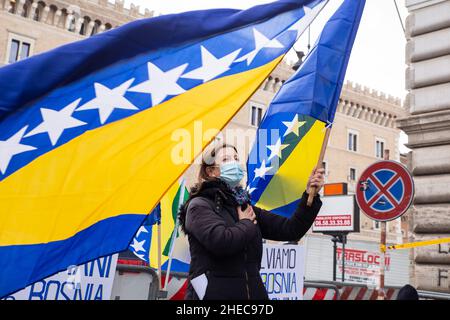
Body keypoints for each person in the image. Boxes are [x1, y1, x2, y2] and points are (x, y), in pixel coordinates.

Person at [178, 143, 325, 300]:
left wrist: (310, 196)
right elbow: (220, 241)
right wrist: (246, 224)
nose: (234, 163)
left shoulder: (244, 206)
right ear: (211, 171)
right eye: (226, 159)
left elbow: (291, 229)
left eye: (236, 158)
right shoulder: (199, 205)